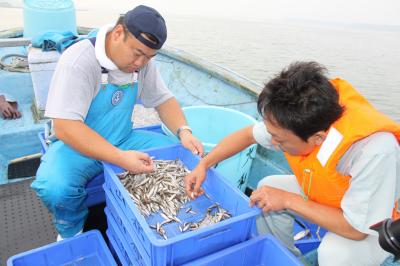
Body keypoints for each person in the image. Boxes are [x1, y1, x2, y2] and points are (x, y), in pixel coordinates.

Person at [185, 61, 400, 265]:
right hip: (335, 195)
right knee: (267, 188)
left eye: (279, 140)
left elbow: (356, 228)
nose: (273, 142)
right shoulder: (295, 119)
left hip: (378, 224)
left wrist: (288, 200)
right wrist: (204, 164)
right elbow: (248, 135)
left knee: (334, 254)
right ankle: (287, 260)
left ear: (317, 138)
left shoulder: (373, 150)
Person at [31, 5, 203, 240]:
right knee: (54, 187)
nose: (141, 63)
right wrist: (120, 158)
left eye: (149, 57)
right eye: (137, 53)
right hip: (76, 147)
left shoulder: (142, 64)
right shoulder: (79, 60)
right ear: (118, 33)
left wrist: (184, 132)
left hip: (123, 138)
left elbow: (163, 100)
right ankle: (71, 233)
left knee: (175, 158)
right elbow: (65, 127)